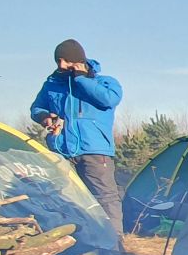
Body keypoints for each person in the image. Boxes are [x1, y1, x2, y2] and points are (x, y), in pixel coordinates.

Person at [29, 39, 123, 230]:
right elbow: (36, 108)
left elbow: (109, 99)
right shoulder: (52, 84)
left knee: (105, 198)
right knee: (67, 199)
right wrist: (44, 116)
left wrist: (81, 79)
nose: (61, 66)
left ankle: (114, 245)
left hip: (95, 151)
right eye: (58, 61)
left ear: (77, 60)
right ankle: (77, 243)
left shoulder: (104, 82)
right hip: (62, 150)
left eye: (66, 61)